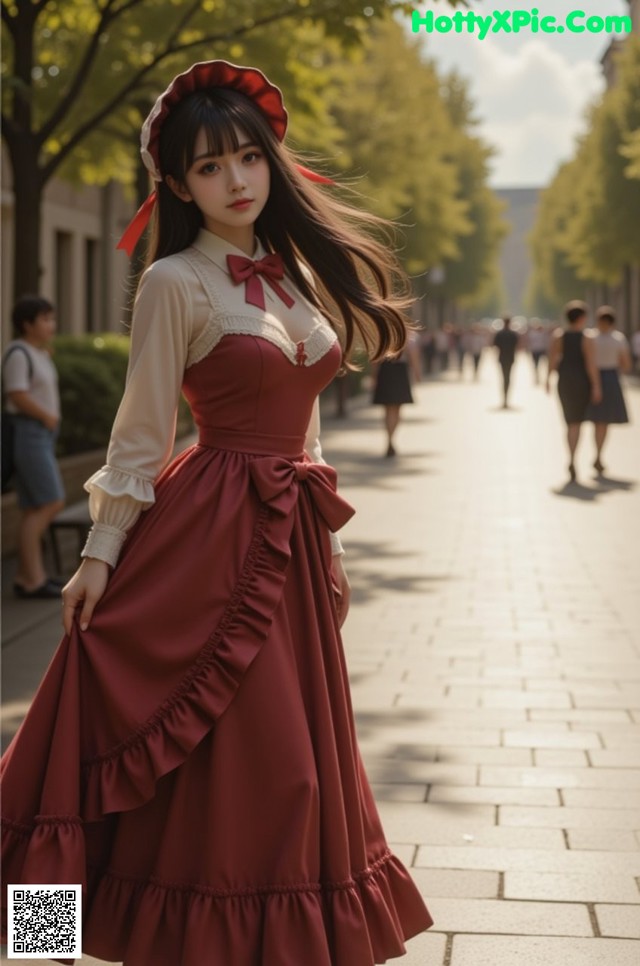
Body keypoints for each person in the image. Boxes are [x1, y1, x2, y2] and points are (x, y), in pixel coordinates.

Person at [0, 61, 432, 965]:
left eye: (247, 157)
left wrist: (330, 542)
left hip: (289, 542)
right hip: (209, 537)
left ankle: (265, 943)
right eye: (208, 167)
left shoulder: (296, 275)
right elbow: (139, 432)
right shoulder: (176, 284)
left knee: (289, 768)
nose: (236, 180)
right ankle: (46, 934)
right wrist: (99, 556)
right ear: (177, 183)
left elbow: (306, 419)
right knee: (221, 752)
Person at [2, 295, 65, 598]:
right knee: (51, 502)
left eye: (51, 319)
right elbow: (16, 394)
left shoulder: (40, 353)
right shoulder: (18, 353)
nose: (51, 325)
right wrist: (47, 417)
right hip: (30, 434)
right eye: (45, 319)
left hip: (41, 435)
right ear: (27, 324)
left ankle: (30, 577)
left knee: (34, 508)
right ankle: (33, 578)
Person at [546, 300, 601, 482]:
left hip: (564, 381)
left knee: (570, 422)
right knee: (578, 421)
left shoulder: (558, 335)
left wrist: (547, 379)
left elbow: (553, 359)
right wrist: (596, 386)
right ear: (582, 318)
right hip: (581, 381)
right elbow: (590, 363)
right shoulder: (587, 337)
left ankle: (571, 457)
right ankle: (574, 457)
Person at [584, 306, 631, 474]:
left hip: (591, 377)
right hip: (611, 378)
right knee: (604, 421)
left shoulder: (590, 337)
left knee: (597, 421)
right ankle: (599, 454)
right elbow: (626, 364)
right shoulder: (618, 339)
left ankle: (597, 453)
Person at [372, 332, 421, 456]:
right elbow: (413, 355)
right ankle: (391, 439)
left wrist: (374, 376)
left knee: (388, 410)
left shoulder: (382, 335)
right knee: (396, 409)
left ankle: (389, 438)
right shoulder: (408, 336)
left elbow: (374, 358)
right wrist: (417, 374)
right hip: (399, 372)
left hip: (385, 371)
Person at [492, 315, 519, 407]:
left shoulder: (500, 334)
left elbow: (495, 345)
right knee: (507, 378)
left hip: (502, 358)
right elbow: (517, 345)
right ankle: (506, 397)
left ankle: (505, 398)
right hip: (510, 358)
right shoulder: (513, 334)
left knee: (504, 377)